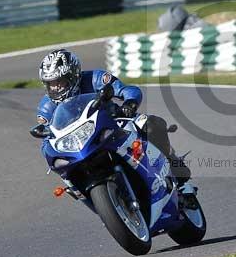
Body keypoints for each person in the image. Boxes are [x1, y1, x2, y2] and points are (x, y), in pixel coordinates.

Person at [33, 49, 190, 182]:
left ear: (73, 75)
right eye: (50, 83)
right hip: (78, 144)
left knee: (152, 124)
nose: (55, 87)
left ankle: (174, 167)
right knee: (67, 175)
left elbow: (127, 90)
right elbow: (46, 141)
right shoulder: (46, 107)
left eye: (59, 82)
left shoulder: (95, 78)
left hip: (113, 122)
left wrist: (130, 104)